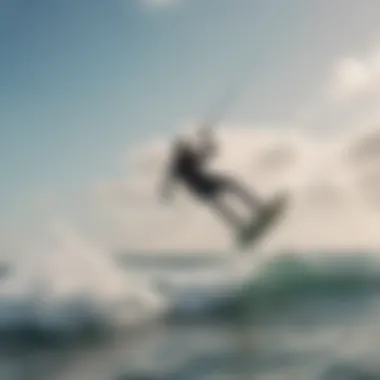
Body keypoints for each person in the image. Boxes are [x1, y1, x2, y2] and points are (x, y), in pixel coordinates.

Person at [159, 127, 263, 232]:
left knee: (219, 203)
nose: (188, 149)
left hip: (200, 189)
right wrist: (206, 137)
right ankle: (256, 210)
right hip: (206, 183)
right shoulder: (184, 161)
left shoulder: (178, 164)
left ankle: (241, 225)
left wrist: (206, 138)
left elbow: (208, 152)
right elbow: (208, 152)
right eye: (186, 149)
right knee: (230, 191)